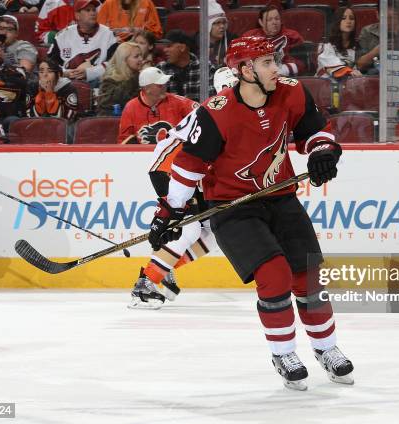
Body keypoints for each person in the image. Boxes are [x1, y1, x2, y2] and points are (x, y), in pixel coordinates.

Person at [146, 36, 353, 390]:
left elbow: (315, 131)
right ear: (245, 70)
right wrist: (169, 212)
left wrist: (322, 152)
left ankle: (326, 348)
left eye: (276, 60)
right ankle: (283, 353)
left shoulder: (292, 93)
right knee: (274, 275)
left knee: (308, 277)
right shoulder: (215, 113)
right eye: (268, 62)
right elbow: (188, 167)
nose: (278, 68)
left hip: (281, 198)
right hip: (234, 208)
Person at [127, 67, 238, 309]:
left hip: (191, 176)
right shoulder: (212, 113)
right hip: (169, 171)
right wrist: (172, 205)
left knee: (211, 232)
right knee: (187, 231)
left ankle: (163, 268)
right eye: (229, 87)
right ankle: (145, 284)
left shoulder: (236, 113)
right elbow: (176, 155)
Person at [48, 0, 118, 86]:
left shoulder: (108, 34)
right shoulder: (63, 35)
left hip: (98, 82)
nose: (93, 13)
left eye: (94, 10)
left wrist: (90, 73)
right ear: (77, 15)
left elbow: (114, 63)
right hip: (66, 81)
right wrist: (65, 73)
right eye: (88, 10)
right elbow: (50, 63)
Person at [242, 5, 305, 77]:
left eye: (277, 18)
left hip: (286, 78)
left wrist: (280, 71)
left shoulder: (293, 36)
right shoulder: (249, 37)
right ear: (261, 22)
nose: (274, 22)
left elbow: (302, 64)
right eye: (269, 20)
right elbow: (242, 61)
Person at [157, 30, 215, 102]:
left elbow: (210, 100)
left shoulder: (205, 67)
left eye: (169, 46)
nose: (165, 50)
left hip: (198, 112)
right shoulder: (161, 69)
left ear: (182, 47)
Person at [357, 4, 399, 74]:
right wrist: (376, 51)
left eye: (393, 17)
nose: (389, 21)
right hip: (375, 74)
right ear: (377, 15)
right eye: (386, 17)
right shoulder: (367, 31)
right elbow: (360, 65)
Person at [97, 41, 143, 116]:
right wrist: (135, 78)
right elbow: (113, 101)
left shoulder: (141, 77)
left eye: (141, 55)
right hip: (114, 122)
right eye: (136, 56)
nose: (141, 59)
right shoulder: (109, 81)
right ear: (124, 60)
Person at [316, 6, 362, 79]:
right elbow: (330, 65)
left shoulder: (357, 45)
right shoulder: (326, 44)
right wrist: (350, 71)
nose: (348, 21)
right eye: (343, 18)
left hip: (350, 85)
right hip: (326, 85)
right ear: (337, 21)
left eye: (351, 18)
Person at [194, 0, 235, 67]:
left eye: (224, 22)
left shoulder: (232, 40)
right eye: (217, 23)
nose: (222, 26)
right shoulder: (195, 42)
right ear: (207, 25)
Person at [98, 0, 163, 41]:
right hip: (114, 47)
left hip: (138, 48)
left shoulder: (147, 3)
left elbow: (157, 33)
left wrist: (141, 32)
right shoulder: (108, 4)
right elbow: (98, 32)